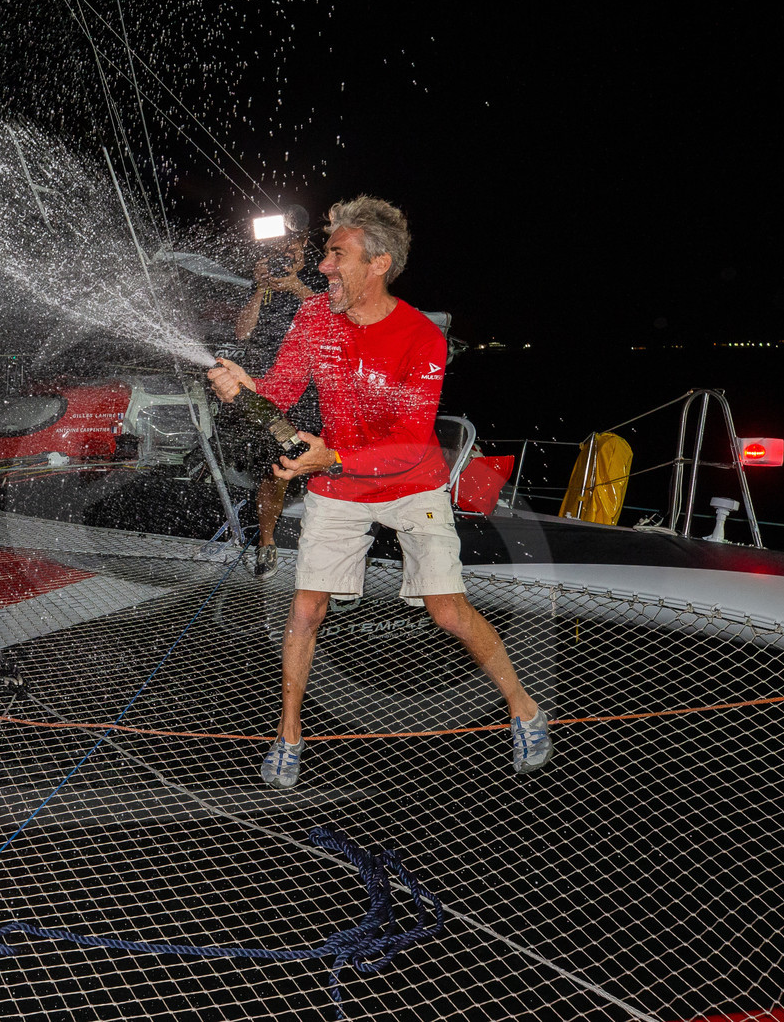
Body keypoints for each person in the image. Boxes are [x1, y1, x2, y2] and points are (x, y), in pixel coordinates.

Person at [207, 196, 552, 789]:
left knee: (448, 611)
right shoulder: (314, 317)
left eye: (336, 255)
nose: (323, 267)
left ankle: (524, 709)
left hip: (411, 482)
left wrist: (333, 456)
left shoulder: (421, 337)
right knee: (305, 608)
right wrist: (244, 388)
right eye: (324, 254)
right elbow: (280, 392)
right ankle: (288, 735)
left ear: (378, 263)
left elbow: (411, 442)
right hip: (339, 482)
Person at [212, 230, 325, 578]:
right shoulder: (263, 279)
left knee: (316, 461)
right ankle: (267, 542)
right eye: (277, 245)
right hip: (263, 387)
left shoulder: (323, 274)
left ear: (304, 241)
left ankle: (330, 548)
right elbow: (242, 333)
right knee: (273, 467)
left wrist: (298, 288)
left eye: (290, 244)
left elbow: (335, 322)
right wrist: (261, 288)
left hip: (308, 388)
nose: (283, 252)